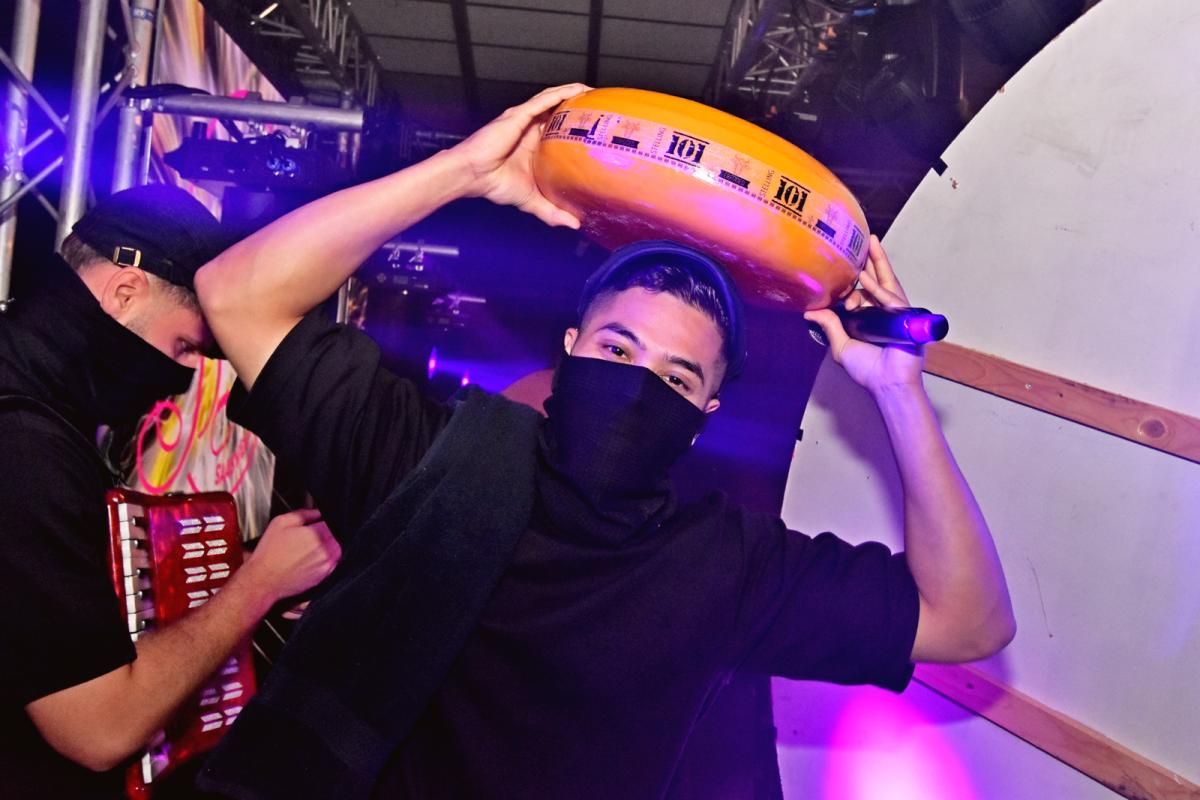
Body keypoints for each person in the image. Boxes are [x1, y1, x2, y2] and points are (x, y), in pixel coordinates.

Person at [194, 84, 1016, 800]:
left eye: (676, 377)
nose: (637, 386)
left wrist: (896, 391)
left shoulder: (725, 566)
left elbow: (967, 623)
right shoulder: (429, 463)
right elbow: (235, 294)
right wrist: (463, 172)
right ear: (570, 350)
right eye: (619, 350)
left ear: (706, 411)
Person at [0, 185, 342, 799]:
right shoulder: (25, 444)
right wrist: (259, 583)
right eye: (184, 346)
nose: (181, 376)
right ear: (124, 292)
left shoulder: (37, 404)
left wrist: (250, 568)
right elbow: (99, 729)